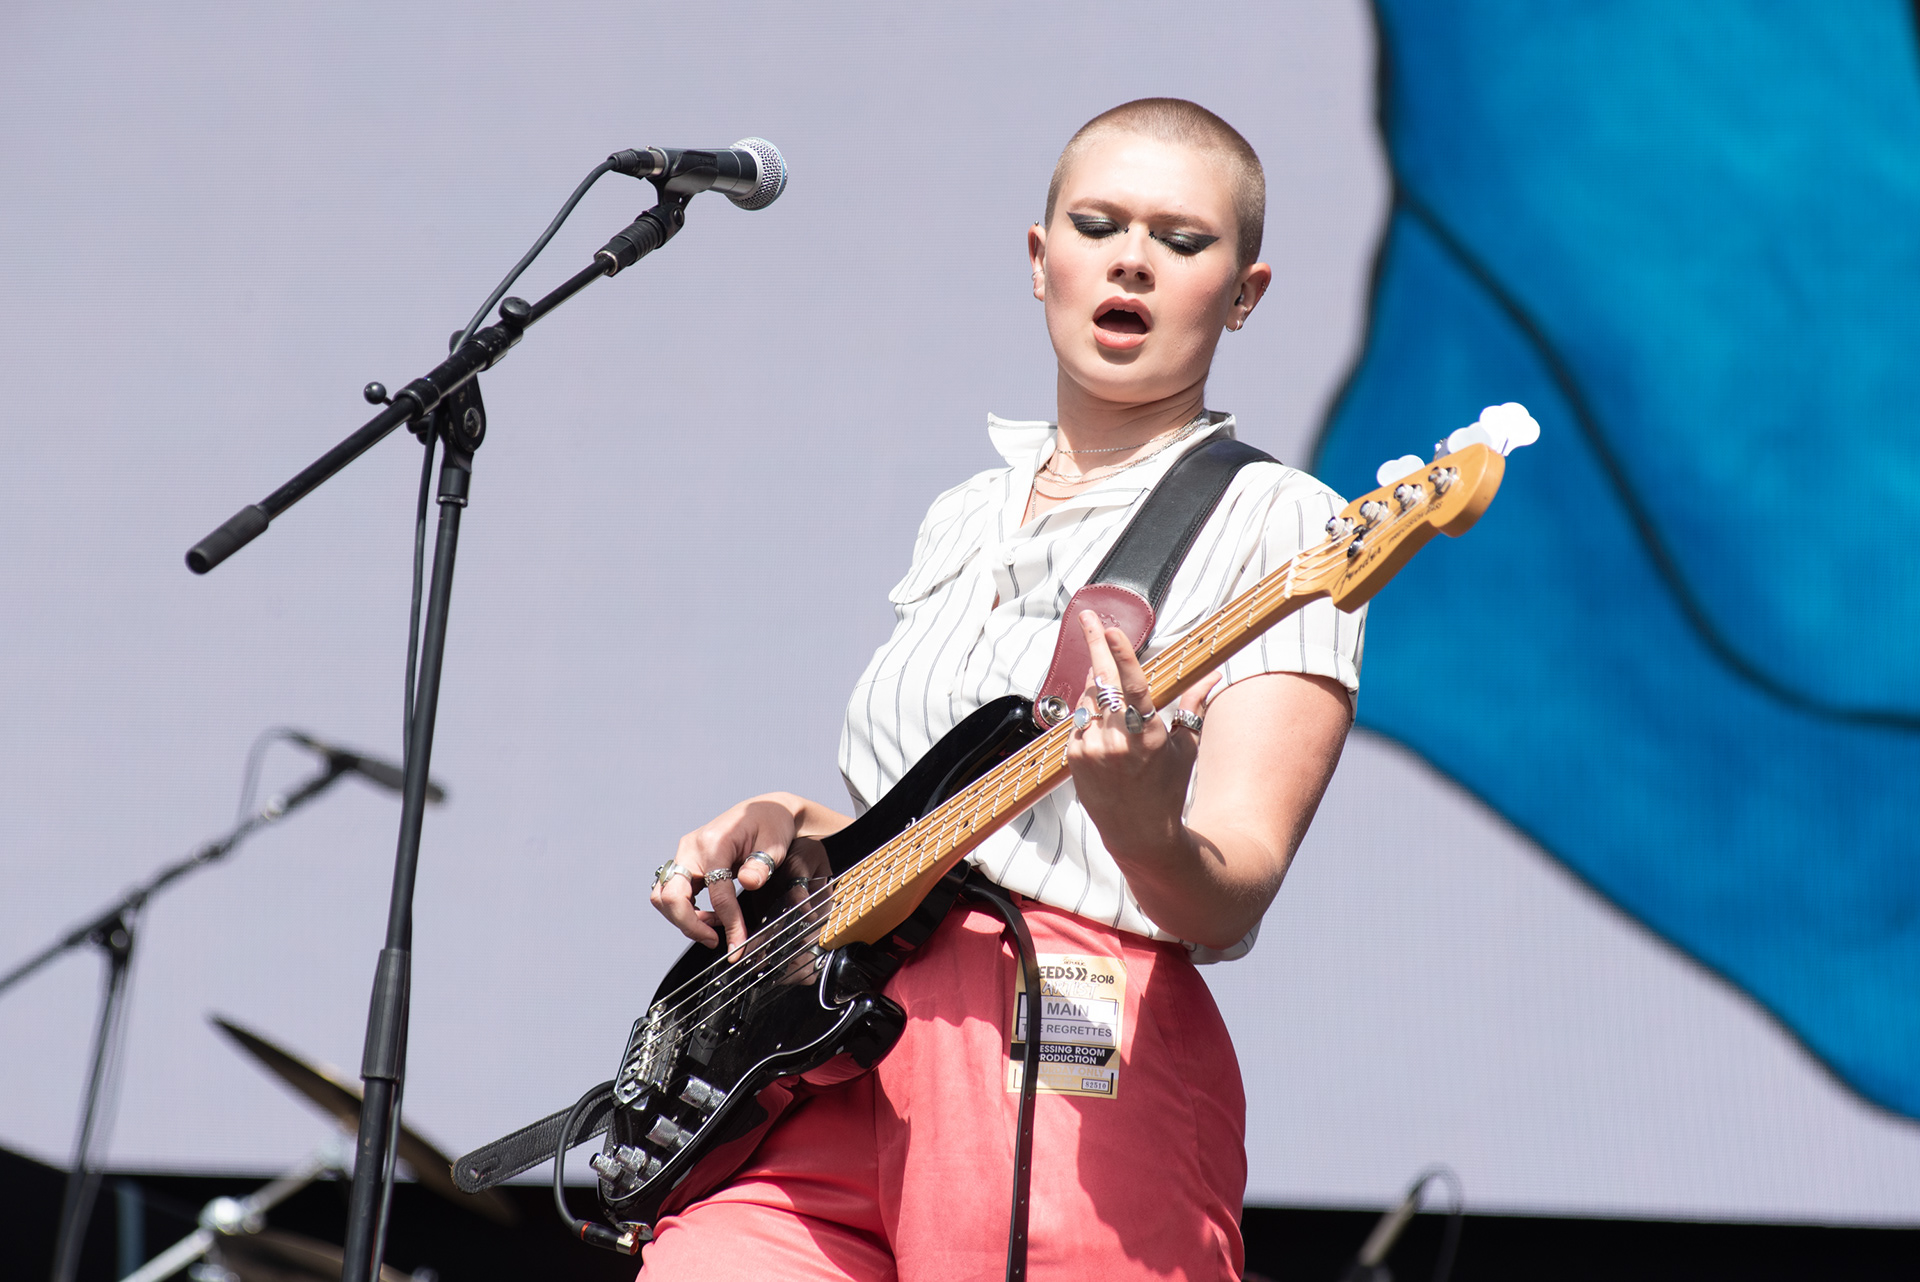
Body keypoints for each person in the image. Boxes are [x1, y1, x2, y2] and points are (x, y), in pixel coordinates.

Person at [640, 99, 1363, 1281]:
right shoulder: (969, 508)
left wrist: (1141, 816)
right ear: (1041, 261)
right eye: (1097, 223)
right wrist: (799, 830)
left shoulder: (1281, 520)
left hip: (1061, 1029)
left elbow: (1227, 896)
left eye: (1182, 241)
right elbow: (948, 821)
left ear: (1245, 294)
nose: (1131, 257)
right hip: (839, 1023)